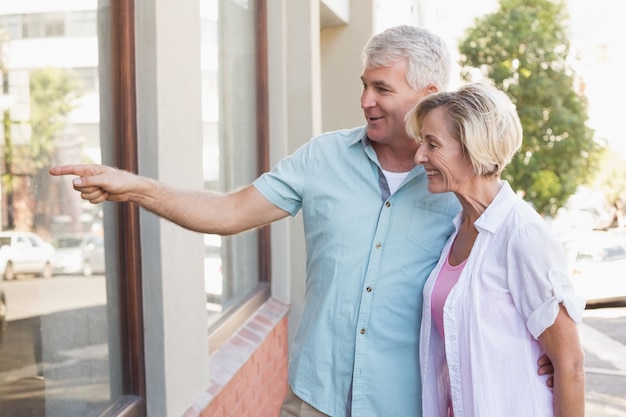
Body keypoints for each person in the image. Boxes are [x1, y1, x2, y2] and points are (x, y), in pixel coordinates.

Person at [49, 26, 552, 417]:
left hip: (408, 403)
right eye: (363, 85)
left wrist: (544, 352)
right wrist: (136, 187)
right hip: (313, 397)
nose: (364, 101)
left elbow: (506, 282)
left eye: (381, 88)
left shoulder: (456, 182)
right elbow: (229, 211)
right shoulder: (323, 156)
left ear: (428, 92)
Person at [405, 82, 586, 417]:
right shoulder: (458, 231)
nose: (419, 156)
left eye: (432, 144)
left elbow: (570, 364)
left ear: (473, 148)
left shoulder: (522, 232)